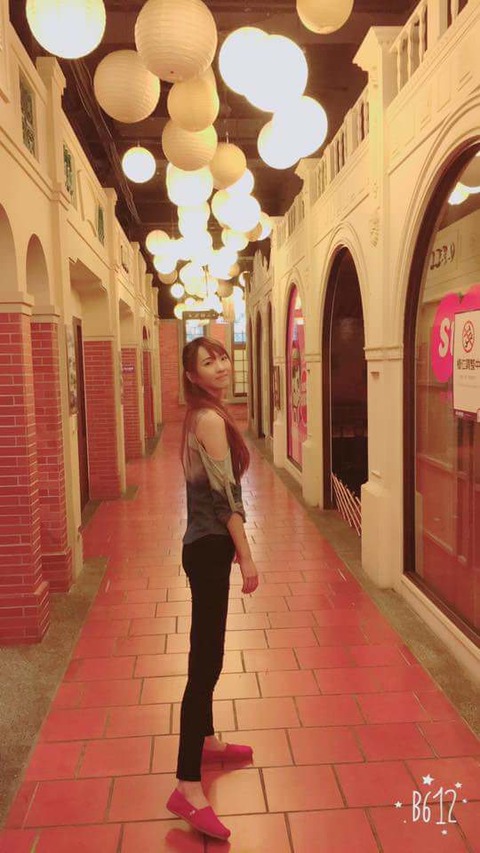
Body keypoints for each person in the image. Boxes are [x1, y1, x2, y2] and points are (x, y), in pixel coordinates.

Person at [166, 335, 259, 841]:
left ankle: (205, 740)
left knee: (207, 653)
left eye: (222, 356)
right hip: (208, 549)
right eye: (209, 361)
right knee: (206, 664)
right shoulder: (209, 419)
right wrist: (247, 556)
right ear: (192, 375)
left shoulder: (202, 415)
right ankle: (186, 785)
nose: (221, 365)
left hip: (201, 546)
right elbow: (226, 500)